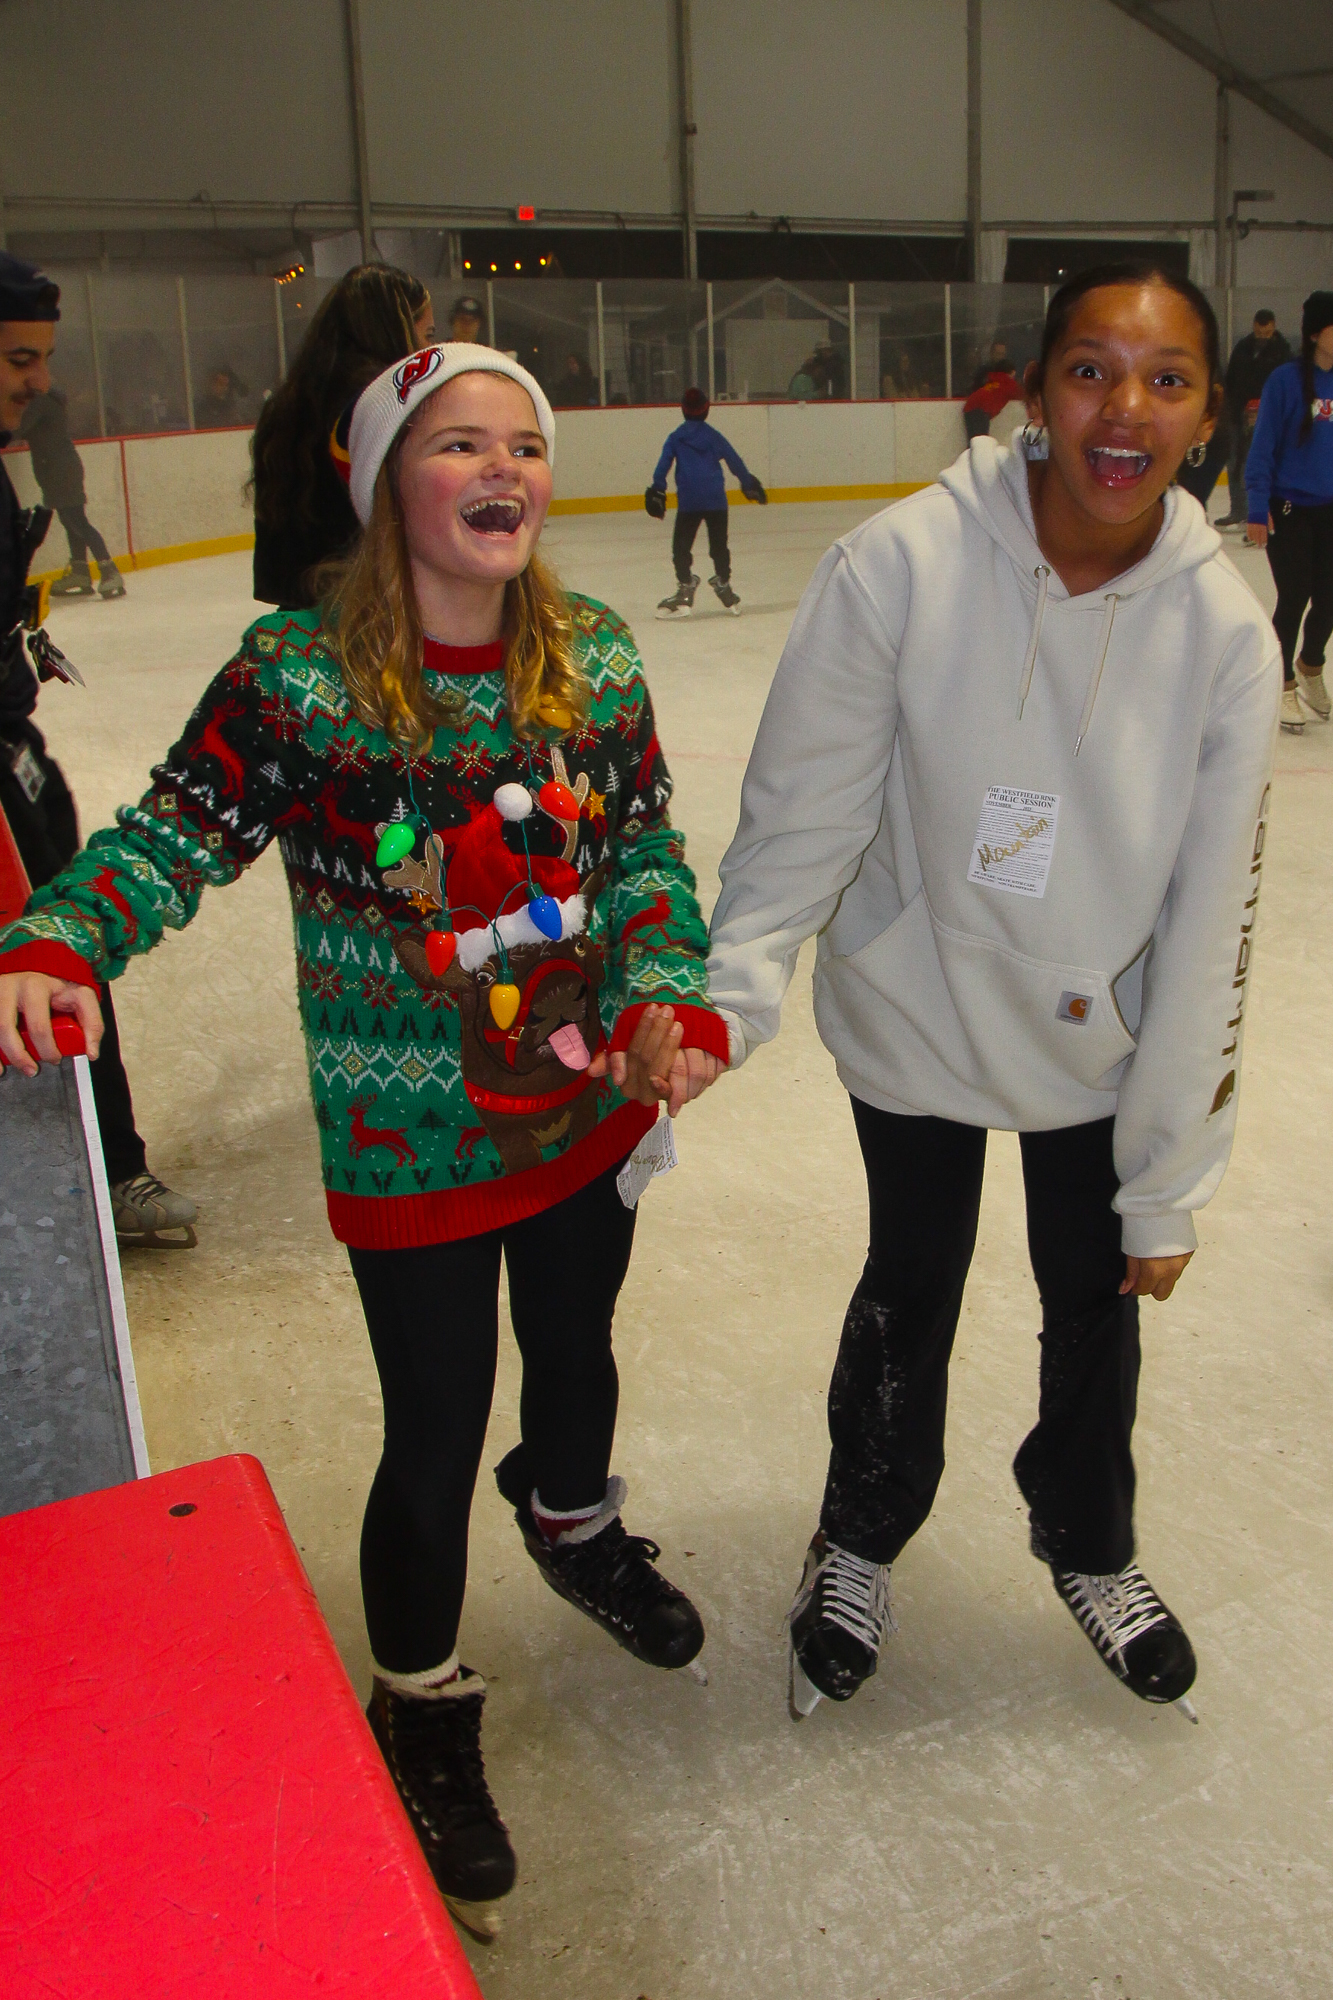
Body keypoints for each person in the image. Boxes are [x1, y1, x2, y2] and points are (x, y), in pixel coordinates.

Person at [0, 343, 727, 1939]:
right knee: (435, 1423)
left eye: (523, 442)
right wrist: (63, 936)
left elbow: (646, 854)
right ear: (385, 475)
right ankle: (420, 1694)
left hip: (584, 1095)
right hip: (411, 1135)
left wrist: (671, 992)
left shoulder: (594, 658)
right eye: (457, 442)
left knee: (577, 1352)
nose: (500, 468)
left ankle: (573, 1522)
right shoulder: (300, 679)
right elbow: (173, 832)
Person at [705, 265, 1278, 1725]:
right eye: (1090, 370)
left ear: (1209, 415)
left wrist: (1168, 1180)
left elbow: (1210, 923)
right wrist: (732, 990)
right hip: (916, 1005)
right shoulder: (900, 564)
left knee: (1095, 1289)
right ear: (1034, 391)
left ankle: (1087, 1538)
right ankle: (859, 1530)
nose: (1123, 410)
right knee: (912, 1276)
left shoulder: (1221, 634)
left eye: (1165, 380)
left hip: (1094, 1036)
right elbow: (805, 809)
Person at [0, 252, 196, 1247]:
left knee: (61, 947)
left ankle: (107, 1164)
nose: (39, 381)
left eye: (41, 358)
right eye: (18, 359)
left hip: (14, 757)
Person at [250, 264, 433, 609]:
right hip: (366, 604)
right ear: (395, 330)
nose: (429, 349)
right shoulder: (382, 400)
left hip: (300, 604)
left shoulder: (288, 402)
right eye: (427, 334)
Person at [1242, 291, 1333, 737]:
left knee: (1330, 598)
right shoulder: (1284, 381)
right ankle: (1283, 684)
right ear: (1316, 333)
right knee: (1295, 595)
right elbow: (1263, 445)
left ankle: (1310, 665)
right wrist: (1257, 506)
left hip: (1330, 510)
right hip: (1289, 507)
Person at [646, 386, 766, 617]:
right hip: (716, 501)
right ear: (706, 410)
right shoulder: (713, 436)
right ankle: (723, 583)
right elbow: (734, 460)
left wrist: (658, 489)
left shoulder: (676, 438)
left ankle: (685, 587)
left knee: (681, 548)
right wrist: (748, 483)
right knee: (719, 547)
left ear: (683, 409)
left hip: (689, 502)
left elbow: (663, 466)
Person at [19, 384, 126, 598]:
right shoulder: (44, 403)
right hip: (58, 470)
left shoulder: (40, 404)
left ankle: (109, 570)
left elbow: (19, 428)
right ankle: (80, 572)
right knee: (70, 521)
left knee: (77, 521)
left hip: (61, 471)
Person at [1218, 310, 1291, 529]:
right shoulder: (1243, 348)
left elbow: (1285, 388)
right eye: (1259, 331)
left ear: (1273, 326)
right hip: (1238, 414)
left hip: (1267, 417)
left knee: (1254, 464)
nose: (1262, 335)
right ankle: (1238, 511)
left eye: (1266, 331)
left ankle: (1257, 514)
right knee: (1234, 462)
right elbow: (1231, 380)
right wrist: (1231, 409)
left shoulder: (1282, 353)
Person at [962, 349, 1025, 441]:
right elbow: (1022, 394)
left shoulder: (993, 378)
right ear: (1012, 372)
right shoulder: (1008, 383)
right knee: (981, 440)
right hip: (982, 410)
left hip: (970, 406)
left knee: (974, 440)